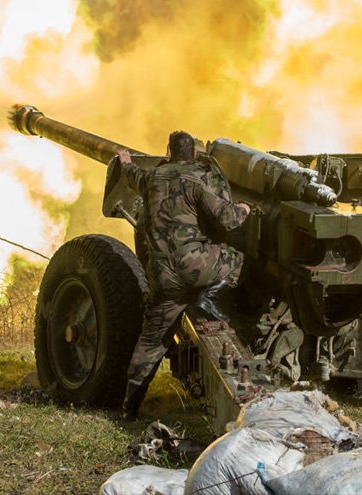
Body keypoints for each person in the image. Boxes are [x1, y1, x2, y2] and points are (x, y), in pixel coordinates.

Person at [118, 130, 251, 420]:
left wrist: (125, 160)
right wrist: (245, 207)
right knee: (238, 260)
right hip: (197, 266)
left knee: (152, 341)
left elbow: (131, 175)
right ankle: (209, 299)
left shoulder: (151, 179)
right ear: (193, 154)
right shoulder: (196, 181)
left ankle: (129, 406)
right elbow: (228, 219)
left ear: (168, 153)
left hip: (163, 278)